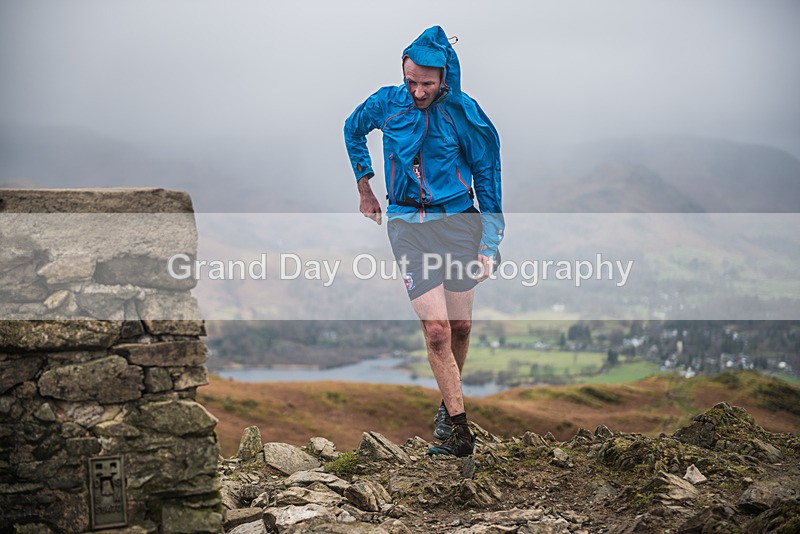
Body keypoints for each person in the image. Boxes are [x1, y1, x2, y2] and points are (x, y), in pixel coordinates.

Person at [343, 26, 504, 457]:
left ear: (444, 78)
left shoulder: (463, 113)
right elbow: (352, 128)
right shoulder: (387, 103)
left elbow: (488, 176)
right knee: (436, 331)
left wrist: (489, 243)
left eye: (426, 84)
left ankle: (445, 405)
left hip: (458, 222)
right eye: (411, 80)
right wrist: (365, 187)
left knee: (461, 326)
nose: (417, 91)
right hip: (407, 224)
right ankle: (458, 430)